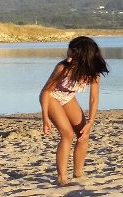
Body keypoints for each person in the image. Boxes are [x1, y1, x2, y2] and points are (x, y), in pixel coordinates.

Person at [39, 36, 110, 185]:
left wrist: (91, 121)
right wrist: (45, 117)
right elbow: (45, 92)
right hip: (51, 97)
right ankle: (62, 178)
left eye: (72, 55)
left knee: (84, 134)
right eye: (68, 53)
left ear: (84, 56)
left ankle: (78, 173)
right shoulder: (63, 67)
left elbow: (93, 99)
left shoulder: (93, 73)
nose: (69, 58)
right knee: (67, 134)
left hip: (68, 98)